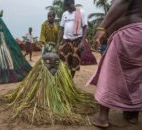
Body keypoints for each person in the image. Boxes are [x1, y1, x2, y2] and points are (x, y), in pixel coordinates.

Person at [87, 0, 142, 128]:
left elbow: (123, 2)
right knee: (135, 76)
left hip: (129, 34)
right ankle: (132, 114)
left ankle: (102, 118)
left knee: (110, 73)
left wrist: (102, 27)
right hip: (138, 35)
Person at [58, 0, 87, 77]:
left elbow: (85, 27)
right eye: (66, 7)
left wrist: (82, 42)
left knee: (74, 64)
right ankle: (65, 79)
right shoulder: (65, 14)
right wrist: (58, 42)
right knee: (64, 62)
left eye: (69, 6)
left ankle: (70, 80)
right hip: (66, 41)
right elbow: (61, 28)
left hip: (77, 42)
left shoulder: (81, 13)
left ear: (73, 4)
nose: (68, 8)